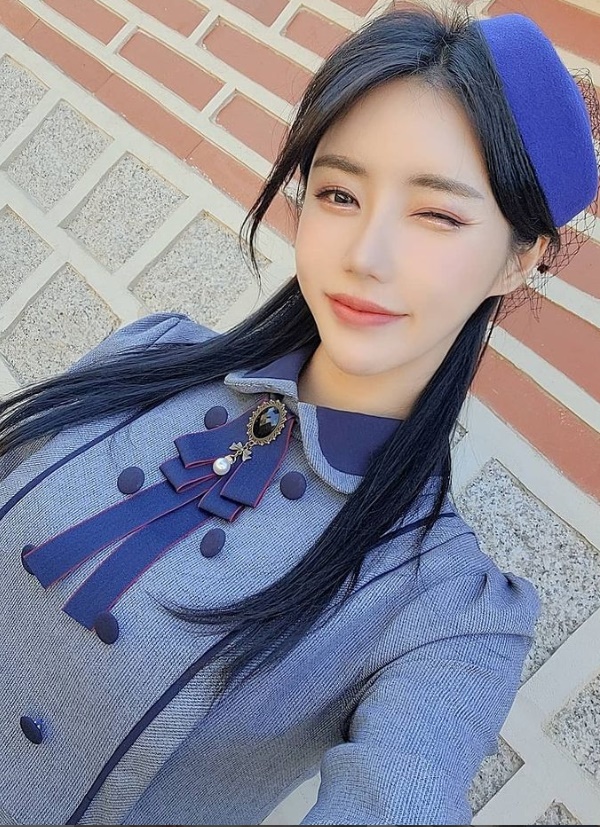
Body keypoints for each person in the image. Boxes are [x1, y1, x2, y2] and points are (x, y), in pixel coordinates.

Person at [0, 3, 598, 825]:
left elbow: (399, 795)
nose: (365, 255)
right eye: (339, 193)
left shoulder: (446, 611)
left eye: (438, 214)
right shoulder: (151, 352)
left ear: (519, 259)